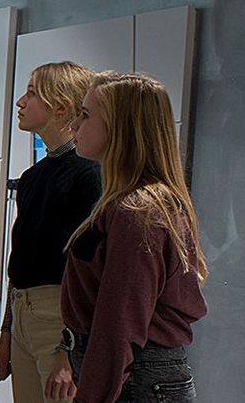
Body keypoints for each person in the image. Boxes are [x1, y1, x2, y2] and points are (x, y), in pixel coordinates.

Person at [52, 72, 207, 402]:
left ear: (120, 126)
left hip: (137, 382)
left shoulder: (139, 211)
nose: (73, 125)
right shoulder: (133, 204)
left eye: (86, 114)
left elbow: (118, 325)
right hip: (137, 378)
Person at [0, 62, 99, 403]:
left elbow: (88, 272)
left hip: (58, 317)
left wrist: (69, 347)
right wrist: (6, 333)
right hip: (25, 314)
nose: (21, 101)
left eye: (32, 93)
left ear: (60, 106)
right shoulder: (33, 176)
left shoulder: (89, 175)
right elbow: (17, 262)